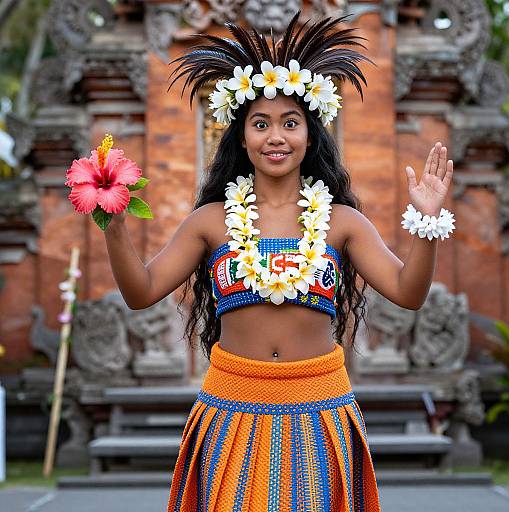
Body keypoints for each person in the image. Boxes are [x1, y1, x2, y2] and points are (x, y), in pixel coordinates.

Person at [103, 11, 455, 512]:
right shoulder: (210, 220)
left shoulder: (341, 223)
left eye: (291, 123)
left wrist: (427, 223)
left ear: (311, 134)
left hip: (319, 406)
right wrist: (113, 226)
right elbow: (141, 293)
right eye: (260, 123)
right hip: (232, 407)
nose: (276, 136)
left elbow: (408, 292)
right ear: (240, 136)